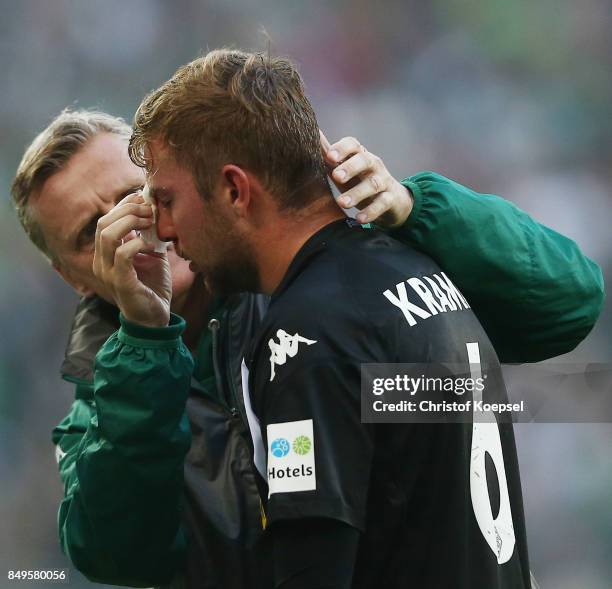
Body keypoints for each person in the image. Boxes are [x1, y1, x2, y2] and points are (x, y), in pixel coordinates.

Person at [12, 87, 602, 589]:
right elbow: (121, 556)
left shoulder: (312, 282)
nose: (132, 228)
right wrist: (145, 341)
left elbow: (567, 304)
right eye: (93, 231)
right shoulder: (100, 412)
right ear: (69, 277)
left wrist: (419, 210)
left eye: (137, 195)